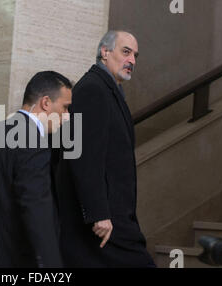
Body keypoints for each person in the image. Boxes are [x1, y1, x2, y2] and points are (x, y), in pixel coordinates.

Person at [55, 31, 155, 267]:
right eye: (126, 52)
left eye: (135, 55)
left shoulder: (108, 90)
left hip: (114, 218)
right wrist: (98, 212)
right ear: (105, 52)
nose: (132, 61)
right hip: (103, 222)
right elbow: (83, 155)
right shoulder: (93, 89)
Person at [0, 71, 72, 268]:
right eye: (65, 107)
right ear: (46, 103)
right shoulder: (33, 140)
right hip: (10, 258)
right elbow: (35, 206)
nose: (67, 117)